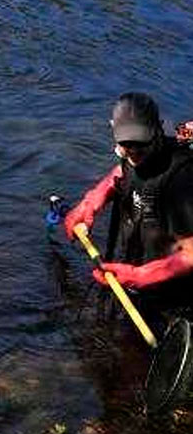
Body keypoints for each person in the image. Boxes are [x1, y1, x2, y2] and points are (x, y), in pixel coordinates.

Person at [64, 92, 193, 328]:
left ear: (159, 130)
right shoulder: (131, 156)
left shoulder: (181, 179)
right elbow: (122, 173)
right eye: (126, 144)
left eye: (141, 144)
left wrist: (139, 276)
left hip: (174, 301)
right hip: (137, 279)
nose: (133, 151)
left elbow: (191, 254)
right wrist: (90, 202)